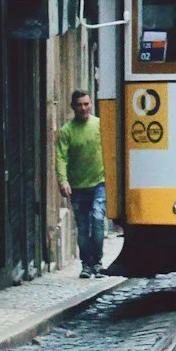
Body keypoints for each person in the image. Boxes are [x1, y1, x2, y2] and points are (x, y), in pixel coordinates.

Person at [55, 90, 107, 277]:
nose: (83, 108)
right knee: (83, 228)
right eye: (79, 105)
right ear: (73, 107)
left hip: (99, 183)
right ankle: (87, 264)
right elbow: (61, 157)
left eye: (86, 104)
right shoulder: (67, 131)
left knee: (98, 219)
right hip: (77, 187)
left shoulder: (100, 125)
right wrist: (63, 181)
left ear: (91, 104)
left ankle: (98, 262)